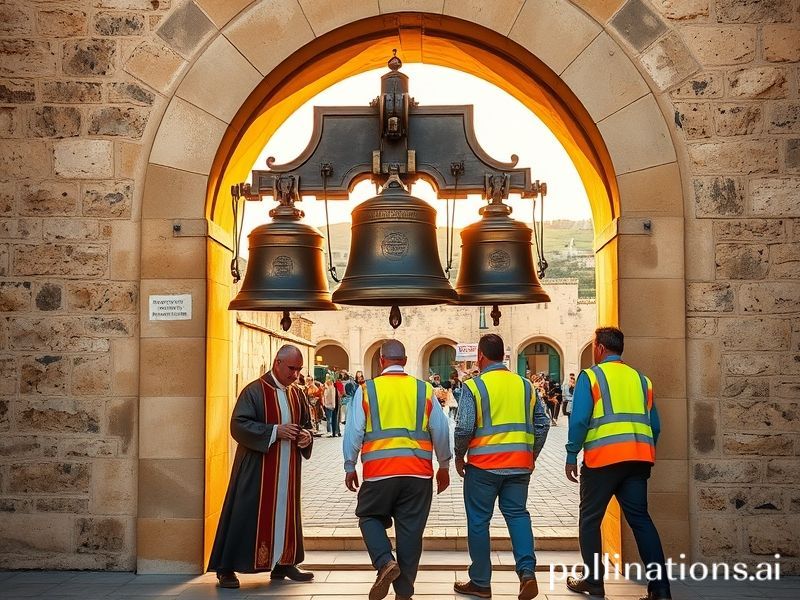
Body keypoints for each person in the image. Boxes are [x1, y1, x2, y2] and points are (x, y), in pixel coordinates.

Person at [564, 327, 669, 600]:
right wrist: (644, 450)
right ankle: (660, 589)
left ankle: (594, 583)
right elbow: (655, 426)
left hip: (603, 460)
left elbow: (578, 421)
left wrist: (570, 454)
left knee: (590, 520)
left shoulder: (592, 376)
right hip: (637, 460)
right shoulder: (641, 379)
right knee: (641, 521)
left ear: (599, 348)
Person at [343, 340, 452, 600]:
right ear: (404, 360)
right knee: (411, 534)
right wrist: (444, 465)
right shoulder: (424, 390)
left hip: (379, 473)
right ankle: (404, 593)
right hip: (417, 475)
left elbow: (354, 432)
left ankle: (384, 562)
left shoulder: (367, 390)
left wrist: (350, 465)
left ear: (381, 361)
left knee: (368, 516)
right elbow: (441, 429)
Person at [208, 345, 314, 588]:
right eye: (291, 368)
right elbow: (238, 425)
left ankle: (284, 564)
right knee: (243, 513)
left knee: (286, 515)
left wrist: (306, 437)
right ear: (277, 362)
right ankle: (226, 568)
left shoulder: (297, 393)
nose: (295, 374)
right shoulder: (254, 391)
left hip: (287, 470)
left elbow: (307, 425)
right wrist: (275, 431)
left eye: (299, 369)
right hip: (257, 470)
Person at [453, 334, 550, 600]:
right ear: (503, 356)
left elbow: (463, 427)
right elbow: (542, 423)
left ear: (480, 357)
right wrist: (531, 454)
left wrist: (459, 456)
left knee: (478, 522)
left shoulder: (474, 387)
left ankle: (481, 582)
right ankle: (527, 573)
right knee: (518, 516)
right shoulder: (525, 385)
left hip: (483, 468)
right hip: (519, 467)